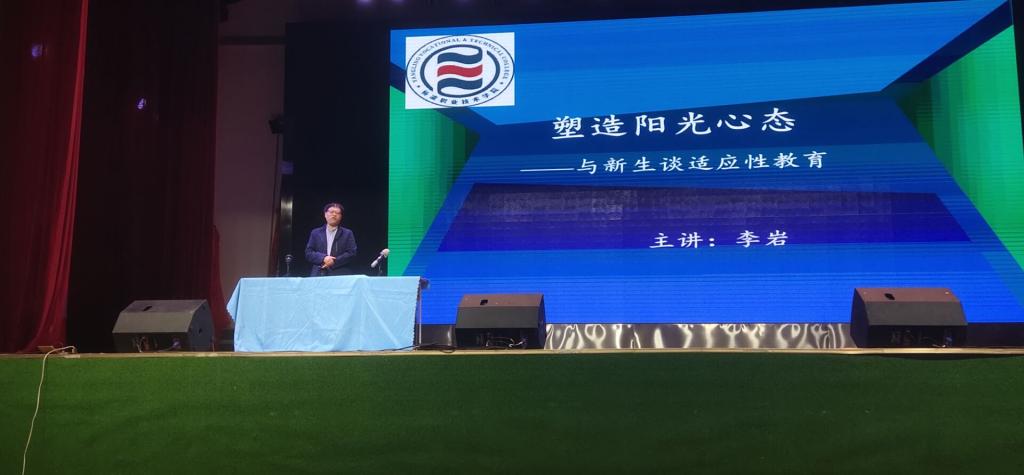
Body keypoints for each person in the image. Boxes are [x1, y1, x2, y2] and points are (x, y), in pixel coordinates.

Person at [304, 202, 357, 276]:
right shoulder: (315, 232)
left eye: (337, 213)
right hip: (318, 272)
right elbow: (308, 253)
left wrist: (333, 261)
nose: (334, 214)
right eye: (331, 212)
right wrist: (323, 258)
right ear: (325, 214)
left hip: (340, 273)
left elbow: (351, 253)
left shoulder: (347, 233)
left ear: (341, 217)